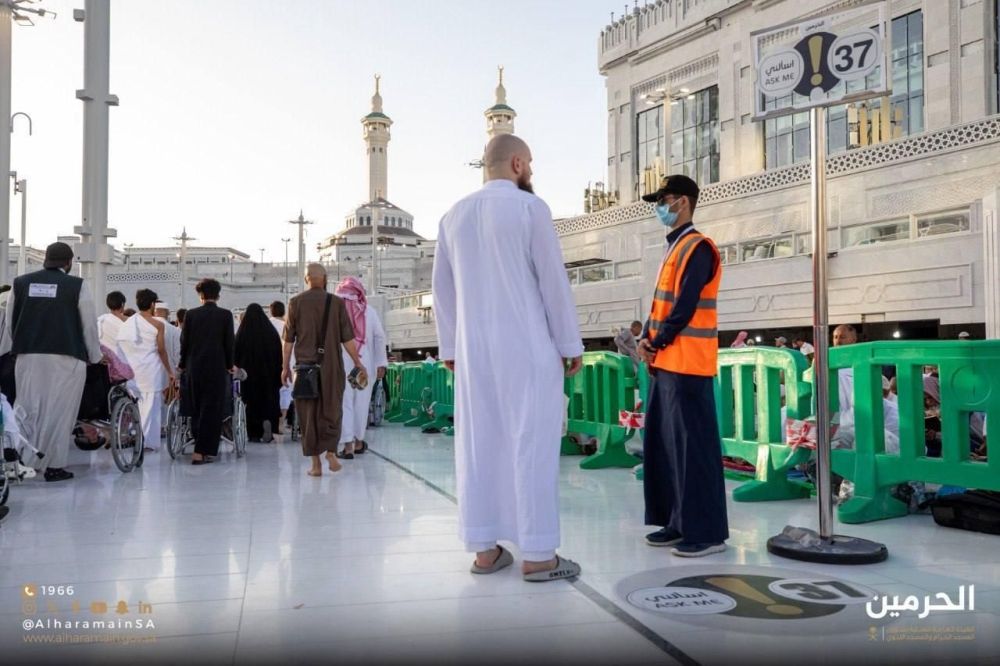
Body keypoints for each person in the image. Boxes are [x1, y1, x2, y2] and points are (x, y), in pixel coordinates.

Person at [433, 133, 584, 581]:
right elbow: (552, 283)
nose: (532, 172)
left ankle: (484, 549)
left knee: (480, 446)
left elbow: (444, 292)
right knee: (531, 444)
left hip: (475, 353)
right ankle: (539, 555)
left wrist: (450, 349)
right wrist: (570, 345)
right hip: (528, 346)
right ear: (517, 163)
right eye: (531, 164)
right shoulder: (530, 209)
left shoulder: (452, 217)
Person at [637, 174, 728, 557]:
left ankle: (706, 533)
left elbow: (686, 306)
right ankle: (677, 521)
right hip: (667, 363)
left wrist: (654, 341)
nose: (661, 206)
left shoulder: (698, 247)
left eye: (666, 199)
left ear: (684, 202)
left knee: (695, 450)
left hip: (688, 364)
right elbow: (662, 304)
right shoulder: (674, 248)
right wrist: (646, 335)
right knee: (668, 447)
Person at [0, 242, 102, 481]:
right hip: (66, 358)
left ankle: (21, 461)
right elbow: (88, 325)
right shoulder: (77, 285)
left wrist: (19, 346)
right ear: (68, 263)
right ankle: (54, 466)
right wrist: (94, 356)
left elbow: (12, 323)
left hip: (28, 356)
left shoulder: (21, 283)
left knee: (26, 409)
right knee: (59, 412)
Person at [281, 264, 365, 477]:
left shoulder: (295, 303)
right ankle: (330, 452)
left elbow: (288, 341)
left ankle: (316, 464)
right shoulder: (336, 303)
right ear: (325, 278)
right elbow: (347, 338)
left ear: (306, 278)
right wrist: (357, 362)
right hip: (331, 368)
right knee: (332, 409)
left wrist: (285, 368)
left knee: (308, 414)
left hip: (305, 367)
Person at [180, 278, 235, 465]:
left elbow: (185, 343)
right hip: (217, 367)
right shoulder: (225, 315)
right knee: (212, 408)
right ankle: (203, 450)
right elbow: (229, 343)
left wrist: (182, 364)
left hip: (194, 366)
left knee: (197, 407)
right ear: (218, 294)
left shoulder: (191, 315)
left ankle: (199, 448)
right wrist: (230, 364)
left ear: (200, 295)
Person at [334, 277, 388, 458]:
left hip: (343, 364)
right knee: (361, 404)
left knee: (345, 403)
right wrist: (381, 362)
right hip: (365, 365)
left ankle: (347, 445)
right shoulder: (369, 312)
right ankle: (358, 441)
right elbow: (379, 337)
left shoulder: (336, 312)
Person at [117, 289, 174, 452]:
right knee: (151, 409)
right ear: (152, 305)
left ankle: (135, 436)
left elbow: (120, 347)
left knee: (137, 406)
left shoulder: (127, 324)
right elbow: (161, 350)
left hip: (133, 371)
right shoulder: (158, 324)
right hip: (151, 371)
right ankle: (147, 442)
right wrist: (169, 370)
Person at [235, 303, 283, 443]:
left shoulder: (242, 333)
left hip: (249, 376)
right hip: (268, 376)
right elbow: (278, 355)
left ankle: (254, 432)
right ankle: (268, 422)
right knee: (268, 401)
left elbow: (235, 354)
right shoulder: (271, 332)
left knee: (251, 403)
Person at [269, 300, 294, 431]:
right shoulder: (286, 325)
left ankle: (271, 421)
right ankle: (281, 421)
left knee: (272, 392)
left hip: (269, 363)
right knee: (285, 391)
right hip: (286, 361)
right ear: (283, 311)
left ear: (270, 311)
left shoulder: (265, 324)